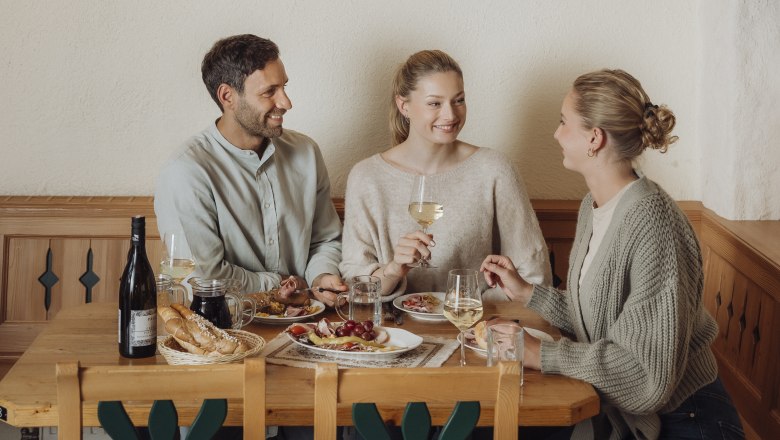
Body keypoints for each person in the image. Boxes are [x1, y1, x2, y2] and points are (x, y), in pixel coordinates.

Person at [481, 69, 744, 439]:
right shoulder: (595, 205)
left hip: (690, 420)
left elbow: (643, 372)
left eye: (563, 122)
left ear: (594, 138)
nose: (556, 133)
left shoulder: (653, 221)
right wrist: (527, 293)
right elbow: (600, 318)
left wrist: (542, 355)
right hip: (641, 419)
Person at [340, 50, 551, 302]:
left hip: (475, 328)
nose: (450, 115)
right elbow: (356, 283)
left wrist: (470, 311)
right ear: (403, 105)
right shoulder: (367, 177)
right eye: (434, 103)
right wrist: (394, 269)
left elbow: (534, 273)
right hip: (390, 336)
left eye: (458, 100)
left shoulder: (494, 169)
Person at [154, 34, 346, 306]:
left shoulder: (307, 153)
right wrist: (277, 284)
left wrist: (321, 276)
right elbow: (204, 276)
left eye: (284, 87)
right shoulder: (186, 172)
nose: (286, 102)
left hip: (304, 319)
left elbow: (326, 239)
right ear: (227, 96)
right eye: (270, 92)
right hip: (226, 325)